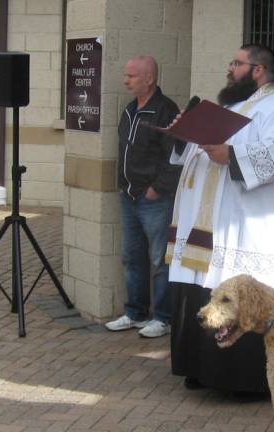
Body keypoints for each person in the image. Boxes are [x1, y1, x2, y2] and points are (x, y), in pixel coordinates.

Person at [166, 44, 274, 393]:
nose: (230, 69)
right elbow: (190, 154)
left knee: (244, 299)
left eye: (237, 63)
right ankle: (201, 369)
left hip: (253, 229)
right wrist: (182, 135)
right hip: (209, 229)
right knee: (204, 294)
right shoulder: (229, 109)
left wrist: (231, 155)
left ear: (258, 70)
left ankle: (244, 381)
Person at [105, 55, 182, 338]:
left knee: (159, 258)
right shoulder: (129, 109)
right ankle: (135, 313)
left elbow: (175, 156)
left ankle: (163, 318)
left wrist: (157, 188)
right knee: (131, 256)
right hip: (128, 196)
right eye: (126, 75)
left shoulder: (165, 110)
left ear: (149, 79)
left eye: (132, 76)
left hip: (154, 199)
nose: (125, 80)